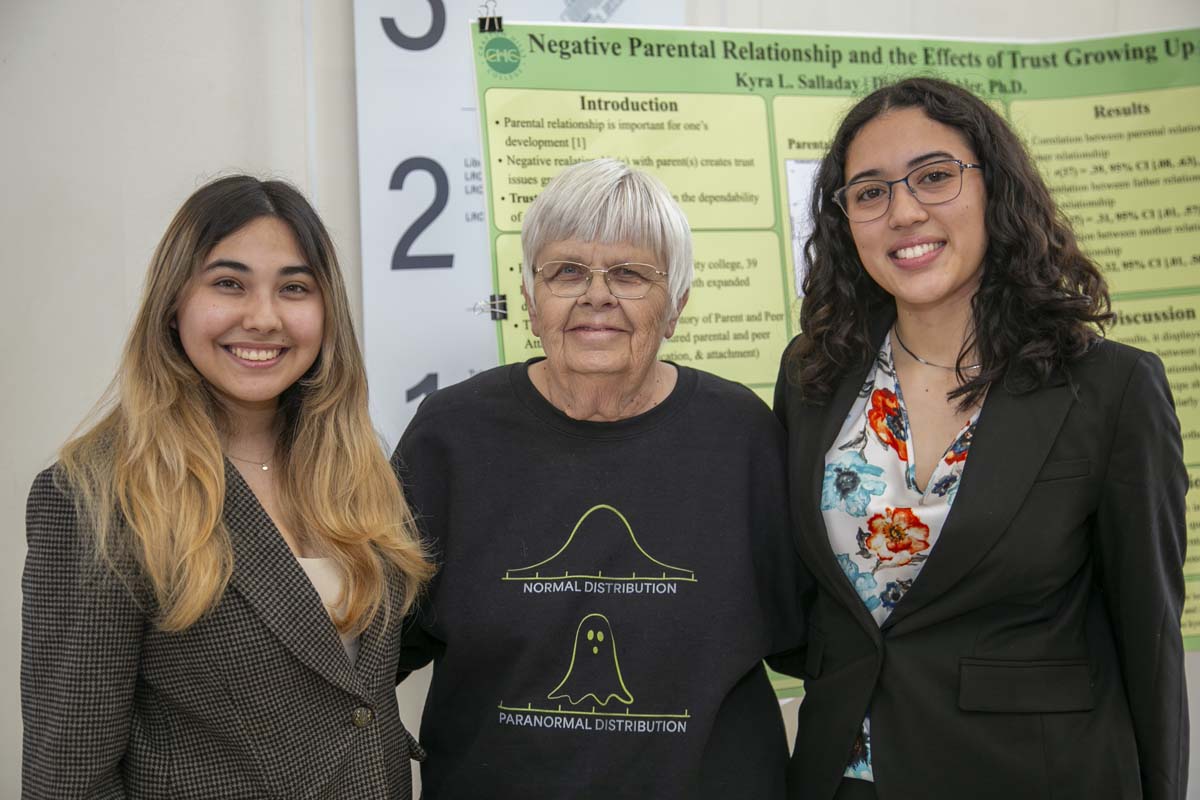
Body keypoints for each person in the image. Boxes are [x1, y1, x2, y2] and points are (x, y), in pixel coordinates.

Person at [773, 76, 1188, 800]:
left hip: (1035, 775)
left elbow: (1147, 635)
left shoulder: (1110, 389)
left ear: (995, 188)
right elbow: (807, 601)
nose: (904, 211)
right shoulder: (815, 373)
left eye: (934, 176)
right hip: (846, 778)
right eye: (869, 192)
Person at [394, 158, 803, 799]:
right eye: (566, 272)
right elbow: (376, 643)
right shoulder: (452, 435)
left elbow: (814, 638)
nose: (597, 296)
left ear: (677, 304)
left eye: (630, 274)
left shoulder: (742, 436)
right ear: (529, 300)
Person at [21, 175, 433, 799]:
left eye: (294, 288)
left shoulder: (356, 470)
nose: (263, 318)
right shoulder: (96, 497)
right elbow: (68, 778)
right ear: (173, 304)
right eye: (228, 284)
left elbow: (349, 695)